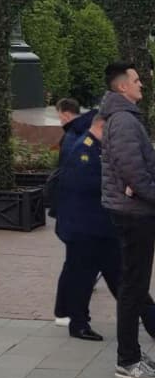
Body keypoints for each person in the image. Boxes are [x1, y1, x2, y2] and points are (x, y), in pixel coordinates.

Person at [101, 63, 155, 378]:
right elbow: (133, 171)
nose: (141, 85)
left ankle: (132, 353)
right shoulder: (123, 121)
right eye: (136, 80)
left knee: (133, 285)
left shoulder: (126, 118)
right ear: (123, 87)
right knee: (133, 287)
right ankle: (128, 360)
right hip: (133, 214)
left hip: (134, 209)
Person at [53, 114, 120, 341]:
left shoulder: (95, 147)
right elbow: (88, 186)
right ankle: (78, 324)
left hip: (97, 229)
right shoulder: (84, 149)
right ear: (102, 127)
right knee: (83, 279)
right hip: (84, 229)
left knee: (121, 278)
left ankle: (150, 320)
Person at [53, 98, 99, 325]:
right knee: (77, 265)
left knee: (76, 264)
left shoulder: (72, 136)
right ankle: (67, 313)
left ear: (64, 114)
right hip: (81, 216)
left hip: (76, 214)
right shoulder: (78, 138)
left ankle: (67, 312)